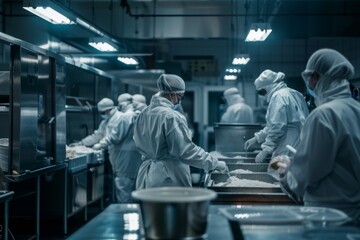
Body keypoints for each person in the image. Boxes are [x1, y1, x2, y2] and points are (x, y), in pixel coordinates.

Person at [271, 48, 360, 222]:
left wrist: (286, 170)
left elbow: (305, 177)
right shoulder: (356, 109)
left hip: (330, 217)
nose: (309, 85)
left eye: (308, 79)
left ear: (315, 77)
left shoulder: (324, 115)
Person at [133, 74, 228, 189]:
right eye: (180, 97)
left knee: (152, 206)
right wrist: (214, 163)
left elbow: (137, 140)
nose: (179, 101)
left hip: (147, 174)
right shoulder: (171, 116)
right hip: (168, 176)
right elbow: (186, 151)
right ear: (172, 94)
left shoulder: (144, 113)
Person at [244, 69, 309, 163]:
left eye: (261, 92)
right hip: (300, 147)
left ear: (268, 87)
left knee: (278, 174)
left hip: (286, 149)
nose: (262, 96)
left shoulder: (278, 97)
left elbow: (277, 127)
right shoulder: (295, 93)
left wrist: (265, 150)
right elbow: (274, 124)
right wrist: (257, 138)